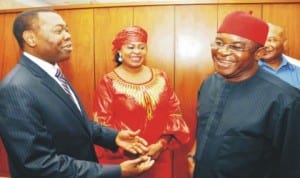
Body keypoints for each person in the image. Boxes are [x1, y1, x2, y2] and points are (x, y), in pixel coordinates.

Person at [0, 8, 155, 178]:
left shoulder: (53, 74)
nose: (67, 35)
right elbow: (38, 164)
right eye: (58, 30)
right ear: (30, 38)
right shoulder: (16, 89)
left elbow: (72, 124)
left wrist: (114, 137)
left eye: (67, 29)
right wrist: (118, 171)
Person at [188, 11, 300, 178]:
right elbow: (204, 128)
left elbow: (291, 167)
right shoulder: (209, 84)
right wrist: (193, 157)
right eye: (219, 42)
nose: (222, 52)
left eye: (236, 47)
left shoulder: (286, 100)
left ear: (259, 53)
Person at [93, 25, 190, 178]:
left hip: (158, 157)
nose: (136, 52)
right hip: (123, 160)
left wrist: (160, 145)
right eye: (130, 47)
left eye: (141, 47)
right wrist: (131, 148)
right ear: (119, 51)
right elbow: (103, 124)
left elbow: (174, 114)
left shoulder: (161, 77)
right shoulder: (108, 82)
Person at [259, 22, 300, 88]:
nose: (265, 45)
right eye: (261, 40)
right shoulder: (245, 71)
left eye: (271, 40)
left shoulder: (297, 72)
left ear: (284, 44)